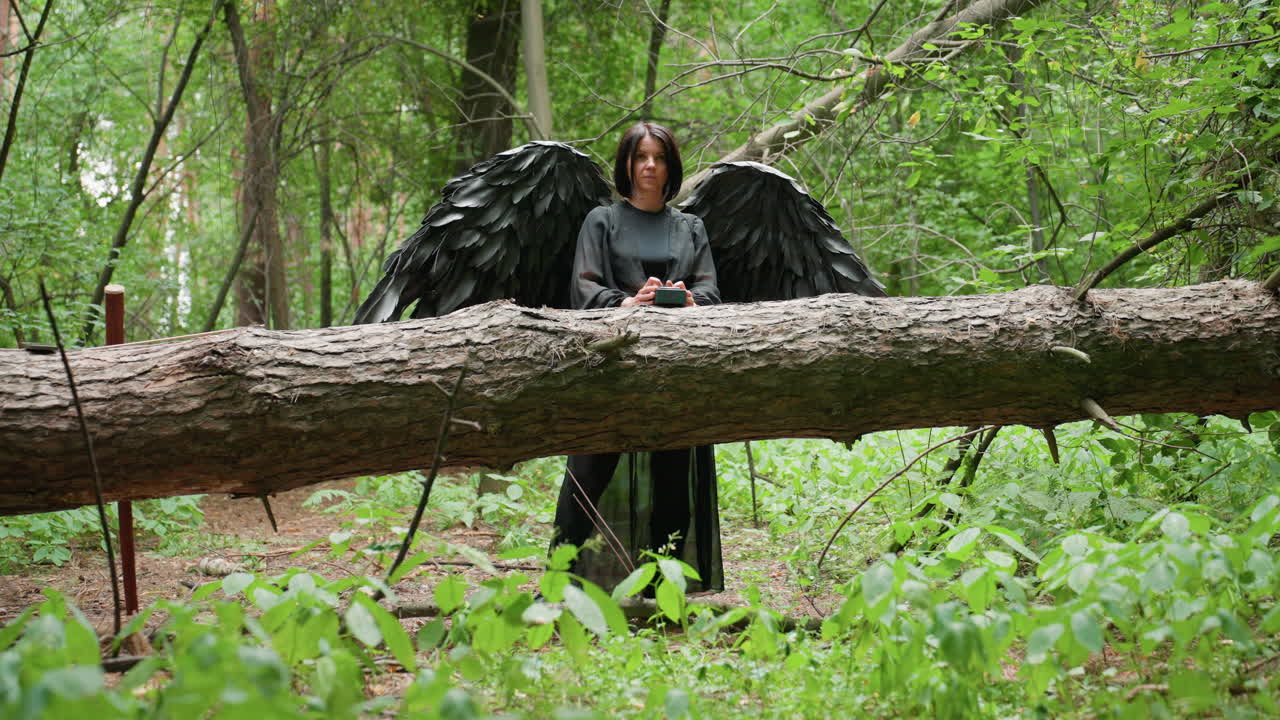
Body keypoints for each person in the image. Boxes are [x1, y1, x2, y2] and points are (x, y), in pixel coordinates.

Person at [550, 122, 724, 593]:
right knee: (585, 476)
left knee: (672, 483)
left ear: (671, 165)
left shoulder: (692, 227)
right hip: (610, 369)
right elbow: (583, 286)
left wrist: (690, 300)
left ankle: (661, 592)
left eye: (659, 157)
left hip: (676, 370)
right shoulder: (601, 221)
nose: (650, 166)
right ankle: (558, 585)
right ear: (626, 163)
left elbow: (711, 289)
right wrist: (626, 303)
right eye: (640, 156)